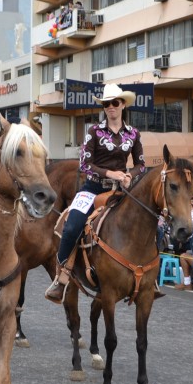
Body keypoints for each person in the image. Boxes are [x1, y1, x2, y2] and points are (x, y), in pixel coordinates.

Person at [45, 83, 144, 304]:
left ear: (123, 105)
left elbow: (142, 164)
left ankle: (148, 278)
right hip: (92, 188)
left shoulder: (134, 133)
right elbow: (85, 164)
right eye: (106, 104)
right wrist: (113, 173)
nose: (110, 107)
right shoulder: (94, 131)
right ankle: (61, 278)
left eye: (114, 103)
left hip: (121, 190)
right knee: (71, 226)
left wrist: (129, 174)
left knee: (149, 221)